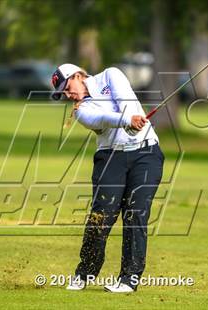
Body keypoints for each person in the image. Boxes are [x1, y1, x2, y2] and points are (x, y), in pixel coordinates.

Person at [51, 64, 164, 293]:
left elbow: (125, 99)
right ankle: (85, 273)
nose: (68, 94)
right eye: (62, 92)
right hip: (111, 157)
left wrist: (132, 121)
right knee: (101, 215)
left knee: (136, 214)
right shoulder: (82, 110)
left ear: (78, 75)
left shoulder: (110, 75)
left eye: (68, 86)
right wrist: (126, 122)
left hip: (146, 154)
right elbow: (102, 118)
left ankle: (128, 280)